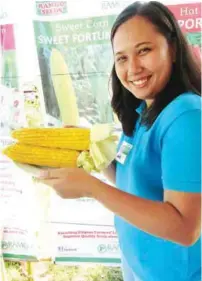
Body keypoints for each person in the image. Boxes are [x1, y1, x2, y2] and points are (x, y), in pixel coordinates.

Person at [35, 1, 201, 281]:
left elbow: (186, 228)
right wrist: (90, 149)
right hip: (138, 271)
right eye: (122, 58)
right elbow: (132, 182)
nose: (133, 68)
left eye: (144, 51)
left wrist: (92, 188)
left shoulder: (187, 117)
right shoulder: (141, 111)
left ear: (172, 49)